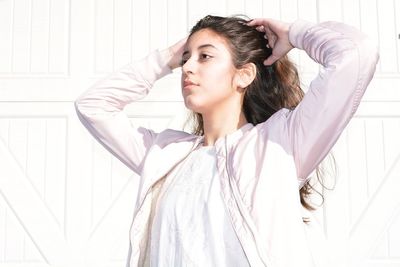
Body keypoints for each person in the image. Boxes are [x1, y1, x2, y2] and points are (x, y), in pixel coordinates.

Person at [75, 15, 379, 267]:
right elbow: (93, 105)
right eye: (186, 59)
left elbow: (356, 53)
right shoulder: (165, 155)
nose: (188, 67)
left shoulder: (280, 144)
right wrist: (165, 59)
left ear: (244, 74)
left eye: (205, 56)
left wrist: (294, 34)